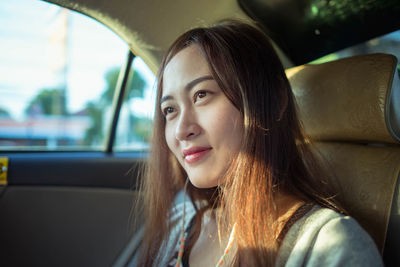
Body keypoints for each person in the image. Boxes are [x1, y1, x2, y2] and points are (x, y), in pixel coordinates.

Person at [134, 20, 383, 266]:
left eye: (202, 95)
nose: (180, 130)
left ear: (273, 101)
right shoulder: (180, 224)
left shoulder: (328, 245)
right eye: (169, 109)